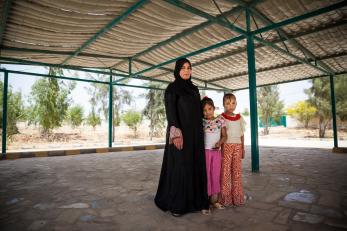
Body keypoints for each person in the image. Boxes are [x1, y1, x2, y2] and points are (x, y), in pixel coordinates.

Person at [154, 58, 210, 216]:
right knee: (181, 168)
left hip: (196, 137)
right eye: (183, 68)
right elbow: (171, 113)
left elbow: (198, 112)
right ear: (177, 70)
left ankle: (197, 202)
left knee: (195, 165)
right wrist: (176, 134)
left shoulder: (194, 89)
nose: (186, 70)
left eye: (189, 68)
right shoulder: (172, 89)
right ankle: (178, 205)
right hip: (180, 135)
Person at [220, 93, 246, 206]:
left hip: (238, 146)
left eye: (233, 103)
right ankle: (226, 198)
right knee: (225, 172)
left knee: (237, 172)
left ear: (236, 104)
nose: (231, 105)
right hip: (226, 146)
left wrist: (243, 148)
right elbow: (220, 135)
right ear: (223, 104)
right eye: (228, 103)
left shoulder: (239, 118)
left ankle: (237, 197)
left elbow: (242, 135)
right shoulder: (221, 118)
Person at [201, 96, 227, 211]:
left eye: (209, 109)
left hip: (216, 153)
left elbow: (225, 136)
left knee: (215, 175)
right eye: (204, 110)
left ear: (214, 108)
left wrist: (219, 143)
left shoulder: (220, 120)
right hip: (205, 153)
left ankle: (214, 201)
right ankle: (204, 203)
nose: (207, 112)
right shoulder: (201, 122)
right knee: (205, 176)